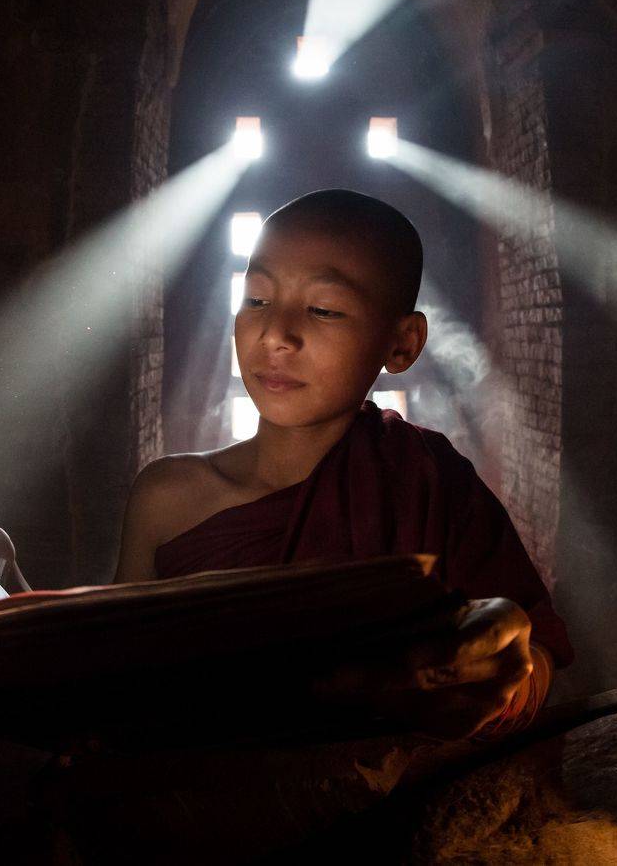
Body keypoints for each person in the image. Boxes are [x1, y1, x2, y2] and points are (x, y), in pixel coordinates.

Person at [113, 188, 572, 741]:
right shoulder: (166, 497)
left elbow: (533, 652)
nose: (276, 335)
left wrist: (495, 675)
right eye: (256, 299)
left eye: (324, 310)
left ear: (403, 344)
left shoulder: (428, 480)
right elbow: (112, 683)